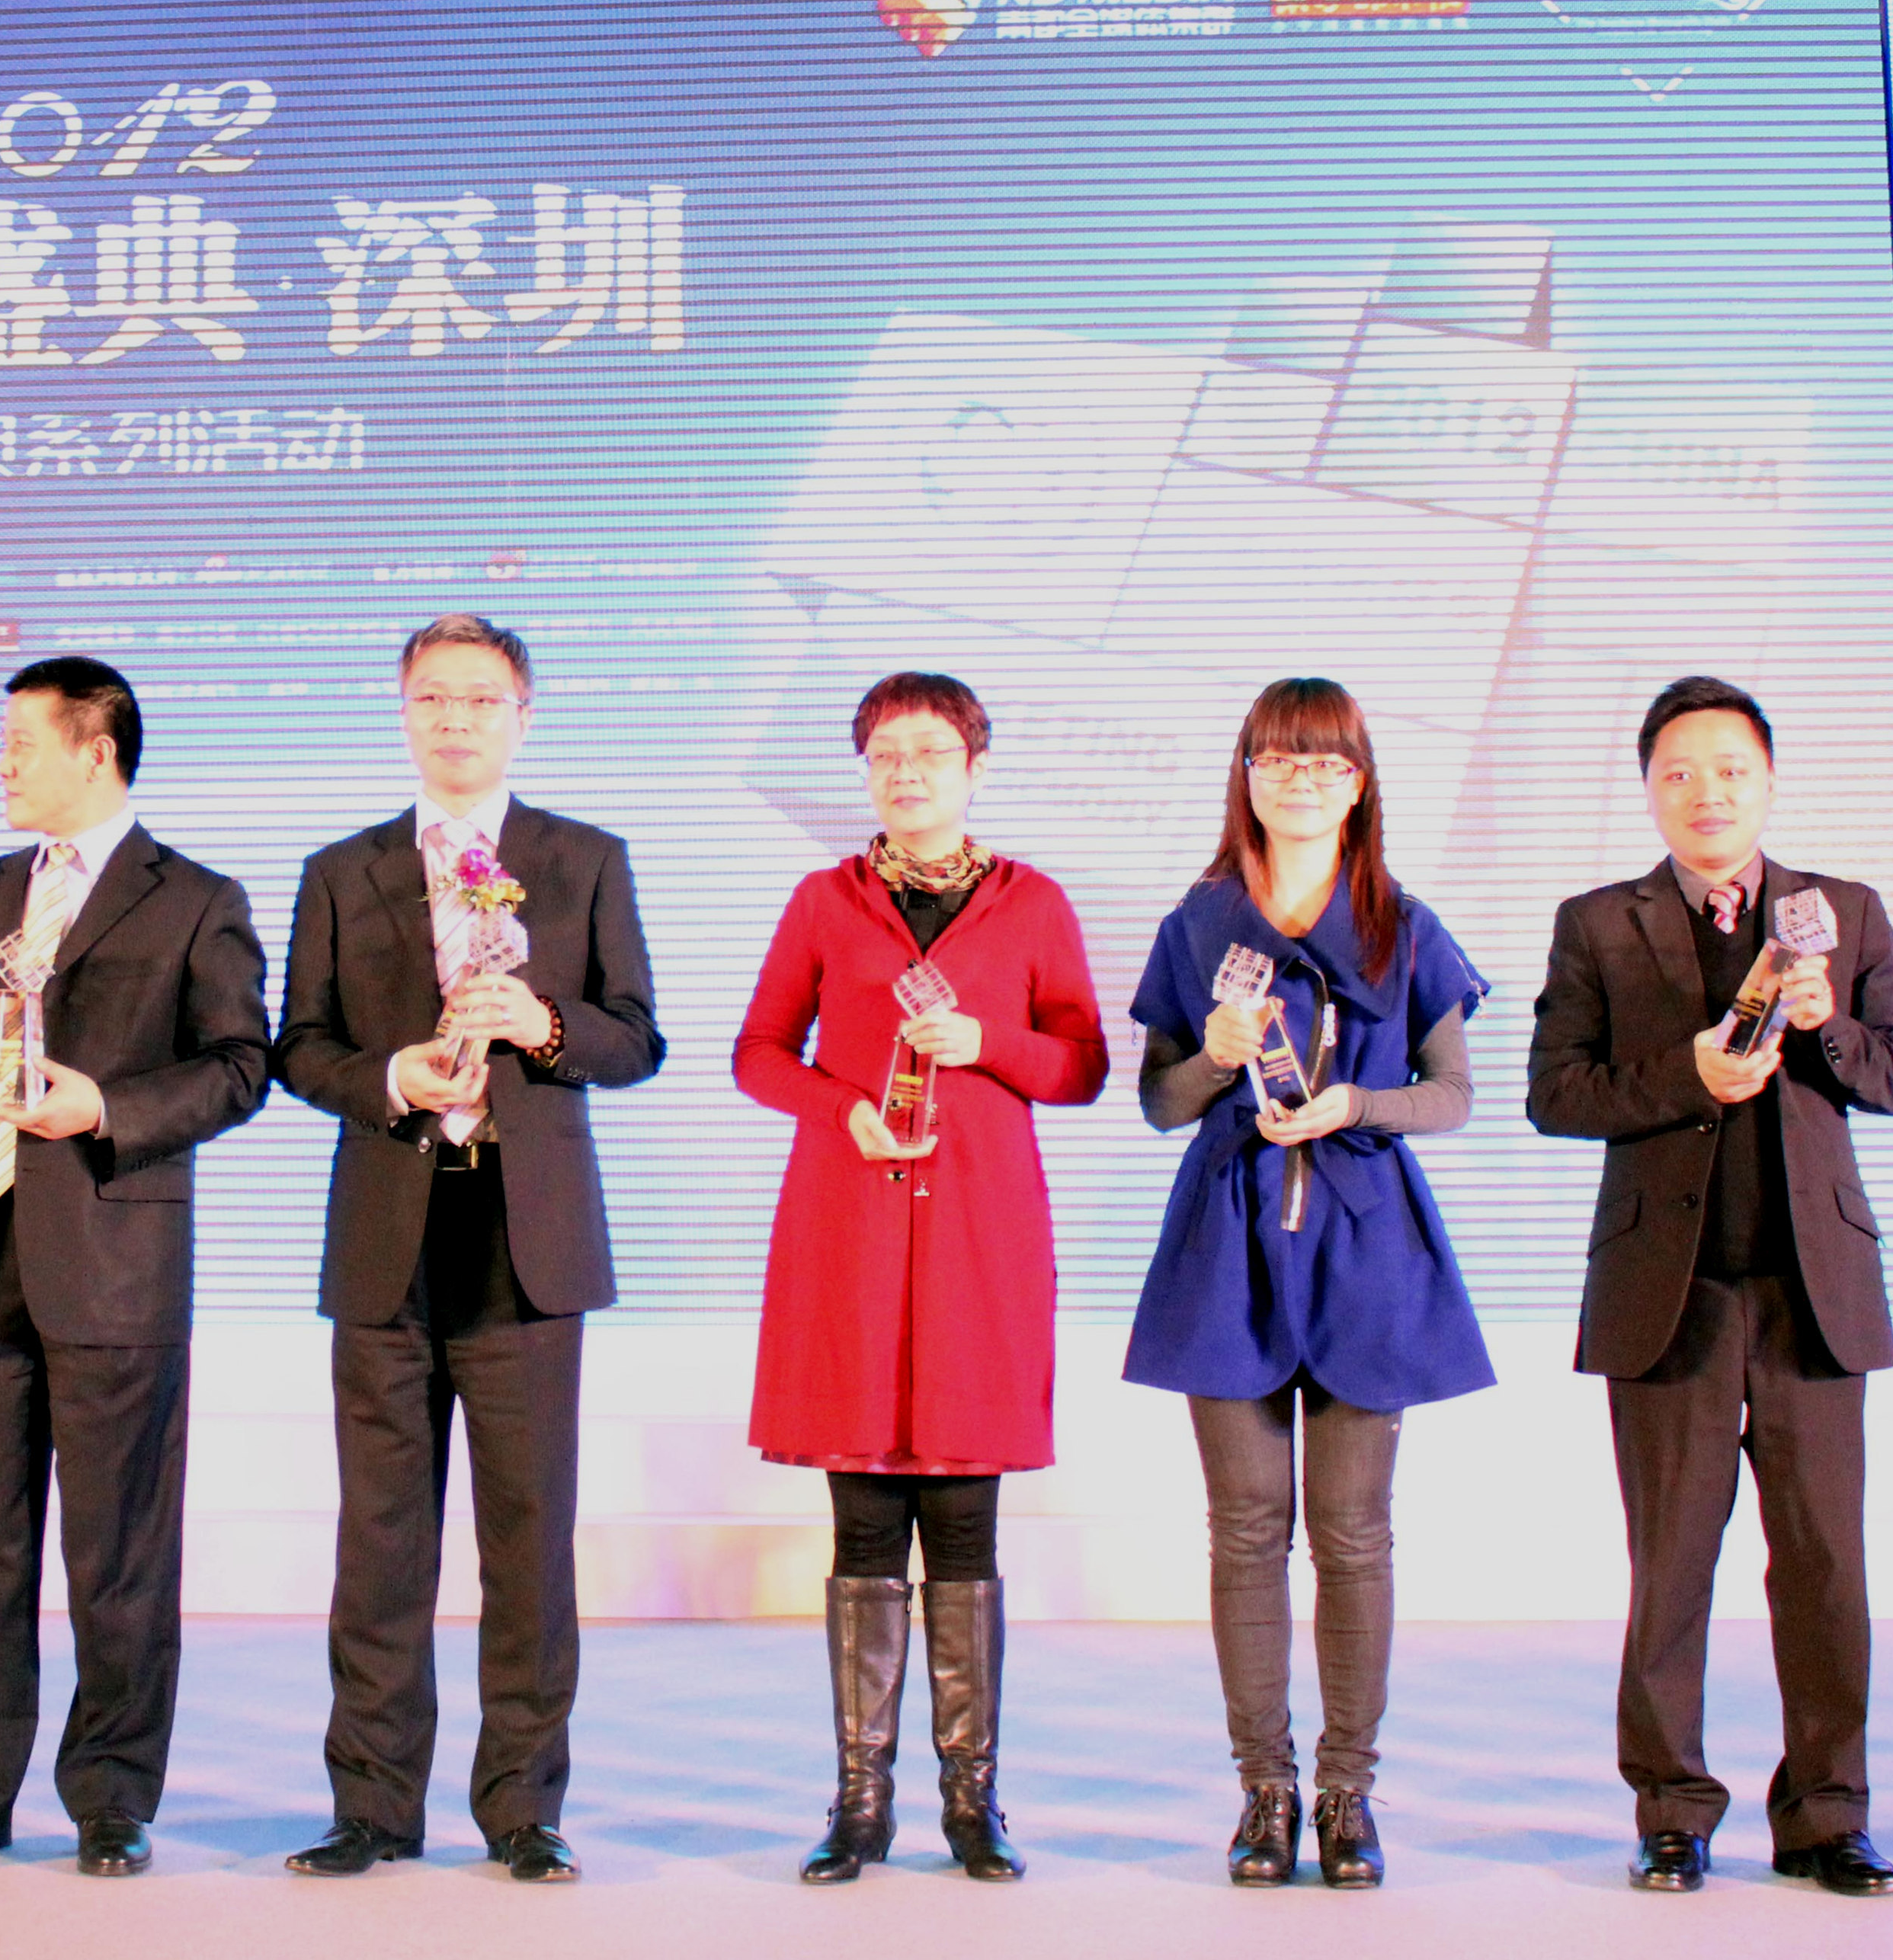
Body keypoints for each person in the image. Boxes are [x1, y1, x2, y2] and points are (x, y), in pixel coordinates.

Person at [274, 613, 664, 1882]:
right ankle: (373, 1805)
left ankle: (522, 1810)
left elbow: (636, 1039)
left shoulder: (584, 859)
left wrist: (544, 1026)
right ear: (403, 714)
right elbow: (299, 1048)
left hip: (525, 1239)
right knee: (381, 1544)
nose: (455, 718)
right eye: (433, 697)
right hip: (387, 1235)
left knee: (528, 1542)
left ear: (523, 717)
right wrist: (388, 1076)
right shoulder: (342, 869)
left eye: (481, 698)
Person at [1527, 676, 1893, 1899]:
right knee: (1672, 1566)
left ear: (1769, 781)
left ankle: (1828, 1815)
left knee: (1826, 1567)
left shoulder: (1842, 914)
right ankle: (1671, 1811)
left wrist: (1828, 1027)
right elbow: (1557, 1093)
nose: (1708, 792)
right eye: (1681, 773)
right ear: (1649, 789)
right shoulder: (1599, 923)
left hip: (1815, 1293)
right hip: (1672, 1293)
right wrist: (1687, 1073)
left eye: (1732, 769)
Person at [0, 657, 269, 1876]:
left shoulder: (193, 898)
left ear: (96, 751)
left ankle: (112, 1796)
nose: (1, 764)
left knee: (119, 1554)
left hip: (113, 1261)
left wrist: (104, 1106)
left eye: (23, 743)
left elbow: (239, 1067)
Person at [733, 672, 1107, 1884]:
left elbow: (1084, 1066)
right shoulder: (823, 900)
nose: (907, 772)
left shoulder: (1033, 902)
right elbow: (758, 1053)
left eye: (930, 751)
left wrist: (988, 1043)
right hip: (848, 1232)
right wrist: (839, 1106)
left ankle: (971, 1802)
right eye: (886, 753)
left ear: (975, 768)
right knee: (860, 1525)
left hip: (980, 1242)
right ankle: (859, 1803)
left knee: (962, 1523)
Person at [1121, 677, 1490, 1891]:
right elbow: (1159, 1100)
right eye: (1279, 757)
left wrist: (1355, 1105)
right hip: (1228, 1246)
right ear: (1246, 773)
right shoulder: (1198, 926)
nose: (1302, 779)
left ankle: (1347, 1793)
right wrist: (1212, 1060)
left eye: (1327, 761)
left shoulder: (1404, 924)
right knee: (1244, 1531)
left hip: (1362, 1245)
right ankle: (1264, 1793)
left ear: (1361, 782)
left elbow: (1452, 1094)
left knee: (1353, 1534)